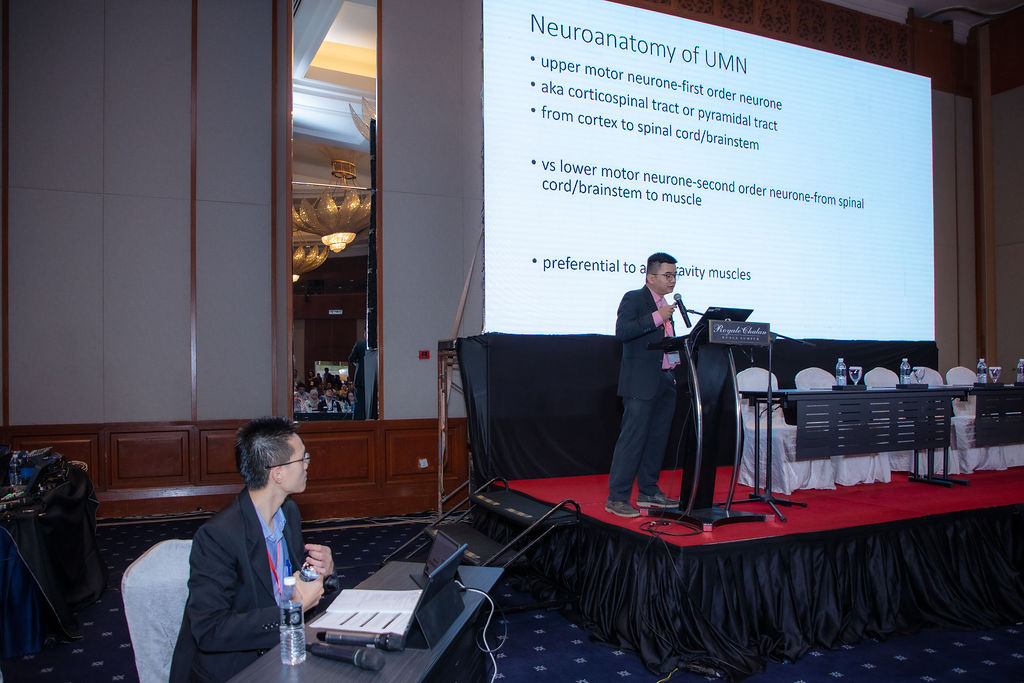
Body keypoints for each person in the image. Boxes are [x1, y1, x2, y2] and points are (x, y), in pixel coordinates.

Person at [170, 417, 335, 682]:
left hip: (284, 650)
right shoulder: (218, 536)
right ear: (277, 473)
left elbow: (290, 583)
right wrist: (292, 609)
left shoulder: (288, 512)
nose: (307, 465)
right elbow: (210, 630)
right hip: (235, 667)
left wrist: (320, 571)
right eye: (303, 458)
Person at [605, 252, 682, 518]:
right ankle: (617, 498)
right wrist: (658, 317)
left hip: (665, 379)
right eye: (667, 275)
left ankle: (648, 491)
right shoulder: (635, 298)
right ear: (650, 277)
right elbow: (623, 332)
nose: (672, 280)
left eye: (675, 275)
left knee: (657, 439)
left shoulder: (666, 304)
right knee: (632, 440)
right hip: (640, 382)